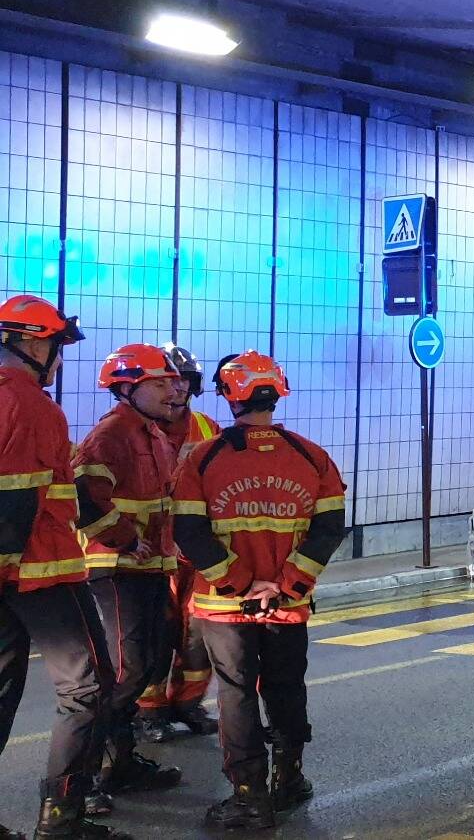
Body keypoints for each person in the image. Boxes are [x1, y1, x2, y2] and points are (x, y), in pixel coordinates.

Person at [171, 352, 347, 830]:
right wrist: (286, 584)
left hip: (224, 606)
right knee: (286, 687)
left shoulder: (203, 458)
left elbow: (188, 532)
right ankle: (289, 780)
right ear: (278, 393)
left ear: (230, 396)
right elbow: (329, 530)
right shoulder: (312, 457)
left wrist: (242, 584)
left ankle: (249, 798)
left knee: (237, 694)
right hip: (288, 606)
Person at [0, 295, 130, 840]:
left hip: (11, 577)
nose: (59, 359)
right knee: (87, 687)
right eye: (57, 346)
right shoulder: (29, 405)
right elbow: (15, 497)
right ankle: (63, 816)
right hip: (40, 572)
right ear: (32, 345)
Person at [73, 346, 187, 796]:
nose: (172, 391)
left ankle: (117, 764)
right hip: (117, 568)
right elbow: (84, 495)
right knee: (126, 670)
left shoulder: (152, 434)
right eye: (159, 383)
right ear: (126, 387)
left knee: (147, 665)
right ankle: (84, 778)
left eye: (171, 382)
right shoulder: (112, 434)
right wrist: (125, 539)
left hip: (151, 567)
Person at [133, 343, 219, 744]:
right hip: (149, 551)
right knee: (157, 633)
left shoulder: (207, 428)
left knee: (197, 632)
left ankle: (188, 703)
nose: (178, 387)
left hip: (196, 549)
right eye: (168, 380)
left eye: (184, 379)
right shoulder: (134, 430)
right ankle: (149, 711)